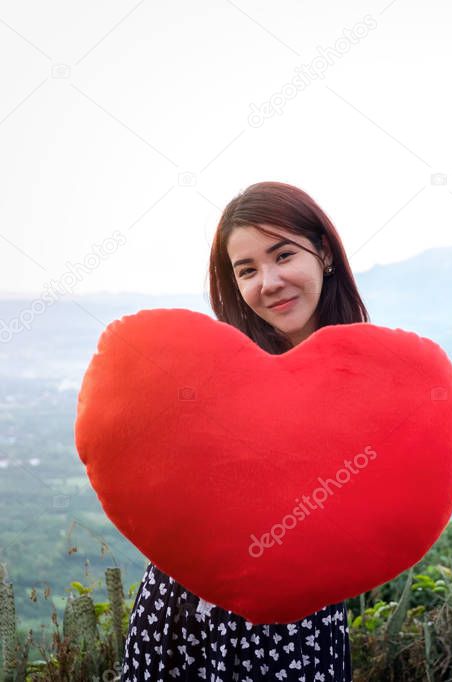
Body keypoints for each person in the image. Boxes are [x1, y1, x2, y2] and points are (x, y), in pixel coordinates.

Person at [120, 181, 369, 681]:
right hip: (187, 615)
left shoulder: (369, 376)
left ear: (323, 252)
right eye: (247, 270)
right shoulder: (218, 373)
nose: (269, 281)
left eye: (282, 255)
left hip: (302, 621)